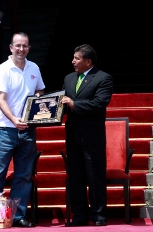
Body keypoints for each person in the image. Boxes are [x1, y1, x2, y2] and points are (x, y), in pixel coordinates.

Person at [0, 32, 45, 228]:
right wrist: (14, 119)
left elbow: (40, 90)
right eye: (18, 46)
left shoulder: (34, 68)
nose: (21, 49)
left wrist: (38, 102)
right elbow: (1, 99)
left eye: (24, 46)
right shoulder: (3, 69)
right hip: (6, 129)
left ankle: (18, 216)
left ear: (29, 48)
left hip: (28, 129)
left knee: (23, 175)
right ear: (11, 48)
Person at [60, 44, 114, 227]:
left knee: (95, 177)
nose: (73, 61)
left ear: (88, 61)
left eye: (77, 58)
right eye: (73, 58)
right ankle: (80, 216)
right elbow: (61, 106)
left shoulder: (103, 78)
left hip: (92, 138)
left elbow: (99, 103)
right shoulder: (68, 78)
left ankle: (98, 216)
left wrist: (75, 105)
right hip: (73, 136)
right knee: (76, 178)